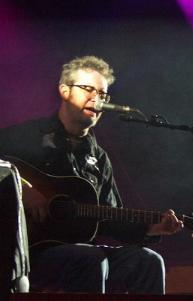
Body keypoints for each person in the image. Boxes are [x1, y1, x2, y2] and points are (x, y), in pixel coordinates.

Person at [0, 55, 183, 294]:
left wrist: (152, 229)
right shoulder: (27, 135)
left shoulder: (99, 158)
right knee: (91, 258)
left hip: (83, 253)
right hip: (28, 251)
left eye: (103, 94)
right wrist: (23, 188)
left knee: (147, 261)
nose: (97, 99)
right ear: (64, 91)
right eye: (88, 89)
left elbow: (111, 216)